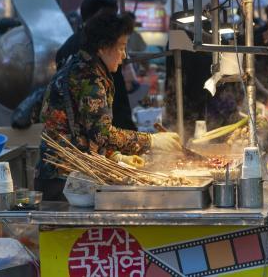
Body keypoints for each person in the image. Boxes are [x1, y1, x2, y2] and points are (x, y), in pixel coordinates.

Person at [35, 12, 182, 200]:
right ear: (103, 47)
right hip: (64, 180)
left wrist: (116, 157)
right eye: (121, 47)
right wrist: (151, 141)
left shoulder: (83, 68)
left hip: (67, 177)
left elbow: (86, 130)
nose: (124, 55)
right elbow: (102, 134)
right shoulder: (88, 78)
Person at [56, 0, 136, 130]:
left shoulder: (69, 48)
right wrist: (147, 141)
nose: (112, 22)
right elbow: (102, 132)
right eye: (108, 17)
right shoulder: (90, 66)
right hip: (77, 142)